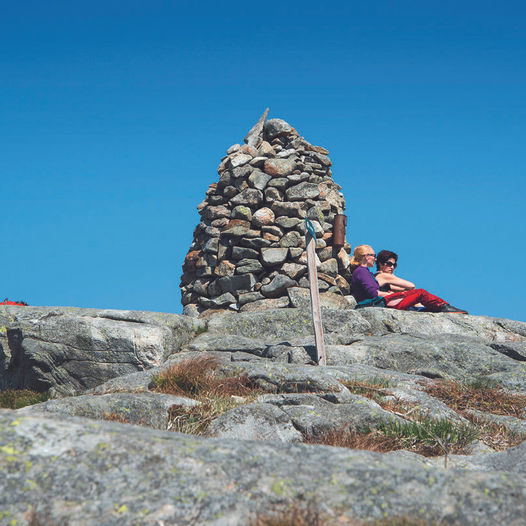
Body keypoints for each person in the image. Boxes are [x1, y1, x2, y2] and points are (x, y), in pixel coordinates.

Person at [349, 245, 468, 313]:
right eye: (373, 256)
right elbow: (373, 293)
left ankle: (442, 307)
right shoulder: (362, 272)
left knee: (417, 297)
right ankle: (444, 306)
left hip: (378, 303)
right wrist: (394, 294)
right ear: (365, 257)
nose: (374, 259)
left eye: (394, 265)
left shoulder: (364, 272)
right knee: (420, 292)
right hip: (378, 304)